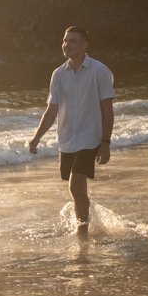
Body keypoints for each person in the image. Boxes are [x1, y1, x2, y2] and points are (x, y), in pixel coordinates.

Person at [29, 26, 115, 236]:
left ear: (85, 45)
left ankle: (82, 230)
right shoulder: (58, 74)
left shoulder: (99, 71)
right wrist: (36, 138)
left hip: (91, 138)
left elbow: (107, 109)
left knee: (75, 186)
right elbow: (51, 111)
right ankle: (89, 221)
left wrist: (105, 143)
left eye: (72, 41)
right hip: (67, 139)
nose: (67, 45)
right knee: (78, 189)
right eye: (65, 41)